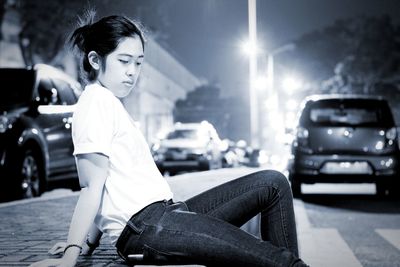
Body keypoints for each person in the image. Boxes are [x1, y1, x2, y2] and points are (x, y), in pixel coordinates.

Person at [30, 14, 308, 267]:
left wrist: (89, 244)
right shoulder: (95, 104)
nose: (132, 72)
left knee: (273, 183)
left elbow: (107, 185)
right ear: (94, 60)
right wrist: (71, 253)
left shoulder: (108, 102)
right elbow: (92, 186)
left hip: (167, 215)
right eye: (123, 61)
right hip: (147, 228)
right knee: (277, 261)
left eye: (138, 63)